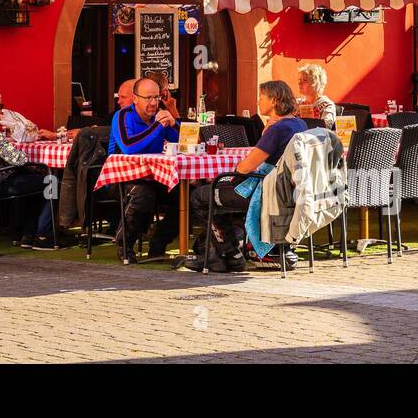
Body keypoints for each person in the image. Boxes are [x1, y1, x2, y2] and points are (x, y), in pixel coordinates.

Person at [183, 80, 308, 272]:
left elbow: (245, 167)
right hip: (289, 190)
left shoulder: (278, 129)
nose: (258, 101)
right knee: (220, 191)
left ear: (274, 100)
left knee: (201, 196)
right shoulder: (300, 124)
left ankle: (231, 254)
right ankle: (220, 254)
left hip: (268, 190)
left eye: (261, 96)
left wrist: (239, 167)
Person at [0, 88, 65, 250]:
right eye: (1, 106)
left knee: (34, 178)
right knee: (51, 180)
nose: (2, 111)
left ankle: (27, 234)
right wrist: (35, 161)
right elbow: (17, 159)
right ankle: (44, 235)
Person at [109, 76, 181, 260]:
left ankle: (159, 243)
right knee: (143, 195)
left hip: (155, 177)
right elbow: (129, 147)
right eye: (148, 98)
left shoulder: (161, 115)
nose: (153, 102)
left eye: (156, 97)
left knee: (186, 195)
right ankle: (124, 246)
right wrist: (158, 126)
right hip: (122, 179)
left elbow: (183, 144)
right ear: (135, 98)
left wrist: (174, 124)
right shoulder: (123, 115)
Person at [59, 79, 136, 229]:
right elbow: (130, 147)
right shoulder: (120, 117)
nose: (119, 101)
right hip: (113, 178)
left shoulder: (146, 118)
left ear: (135, 97)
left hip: (114, 176)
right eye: (118, 97)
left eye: (123, 97)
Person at [297, 64, 336, 129]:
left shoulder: (326, 105)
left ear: (316, 83)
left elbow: (326, 127)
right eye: (299, 80)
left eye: (305, 80)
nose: (299, 83)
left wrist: (312, 121)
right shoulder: (296, 103)